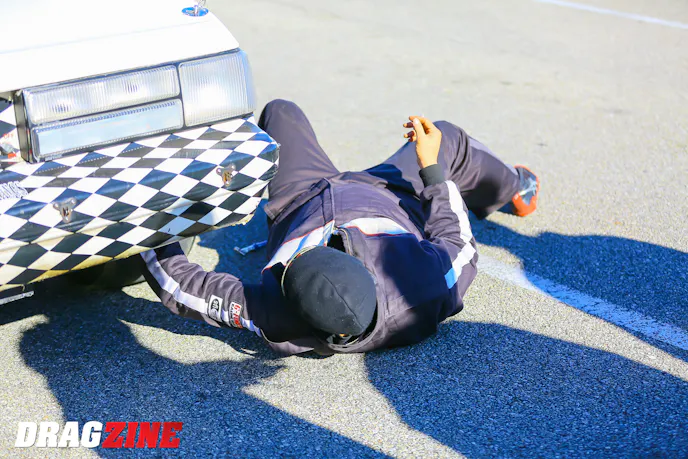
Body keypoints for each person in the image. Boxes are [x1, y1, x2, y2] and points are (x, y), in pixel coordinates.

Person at [140, 99, 540, 355]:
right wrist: (431, 167)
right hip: (389, 196)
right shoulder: (424, 287)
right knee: (446, 134)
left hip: (299, 198)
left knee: (281, 112)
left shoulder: (278, 315)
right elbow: (458, 241)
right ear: (365, 270)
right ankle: (514, 187)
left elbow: (181, 286)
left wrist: (147, 225)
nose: (323, 242)